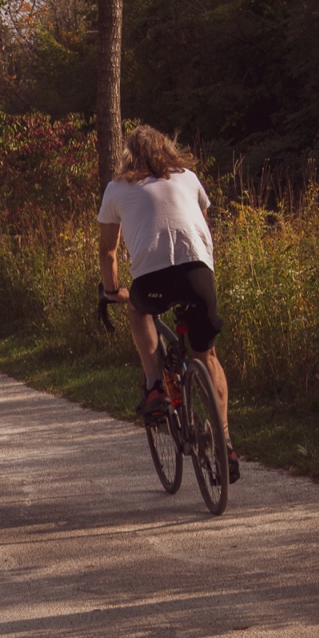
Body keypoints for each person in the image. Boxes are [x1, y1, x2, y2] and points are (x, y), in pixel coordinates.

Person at [98, 124, 238, 482]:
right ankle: (225, 443)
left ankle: (154, 384)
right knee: (208, 356)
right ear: (167, 149)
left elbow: (107, 252)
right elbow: (205, 231)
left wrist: (112, 290)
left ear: (128, 155)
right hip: (197, 272)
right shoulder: (188, 177)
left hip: (152, 279)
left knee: (137, 309)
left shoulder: (117, 189)